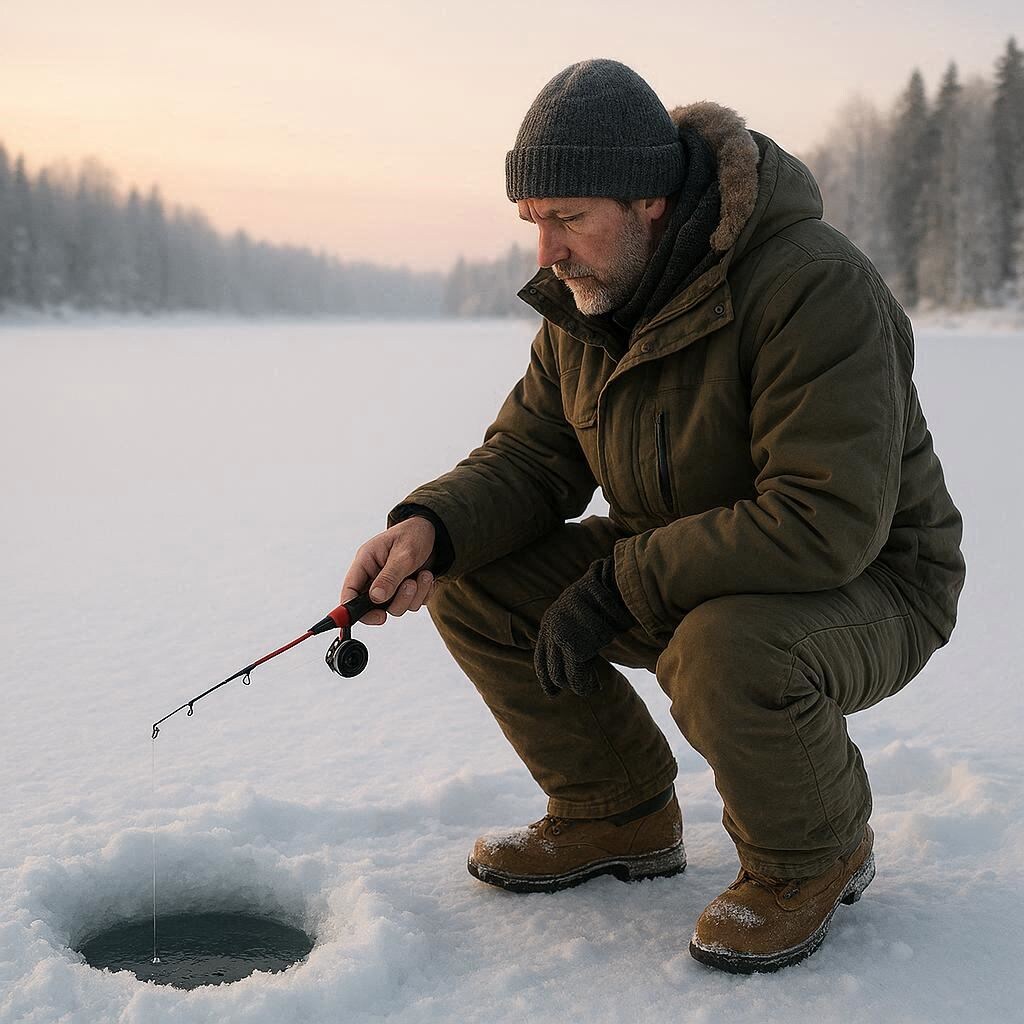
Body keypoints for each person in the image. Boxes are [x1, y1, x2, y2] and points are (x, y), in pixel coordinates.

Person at [339, 58, 966, 974]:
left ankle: (814, 855)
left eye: (568, 220)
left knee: (724, 649)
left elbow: (824, 519)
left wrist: (622, 580)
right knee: (476, 581)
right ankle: (615, 812)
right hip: (687, 558)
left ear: (651, 203)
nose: (545, 253)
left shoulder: (812, 286)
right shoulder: (586, 306)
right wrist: (430, 528)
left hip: (871, 580)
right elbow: (529, 458)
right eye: (533, 221)